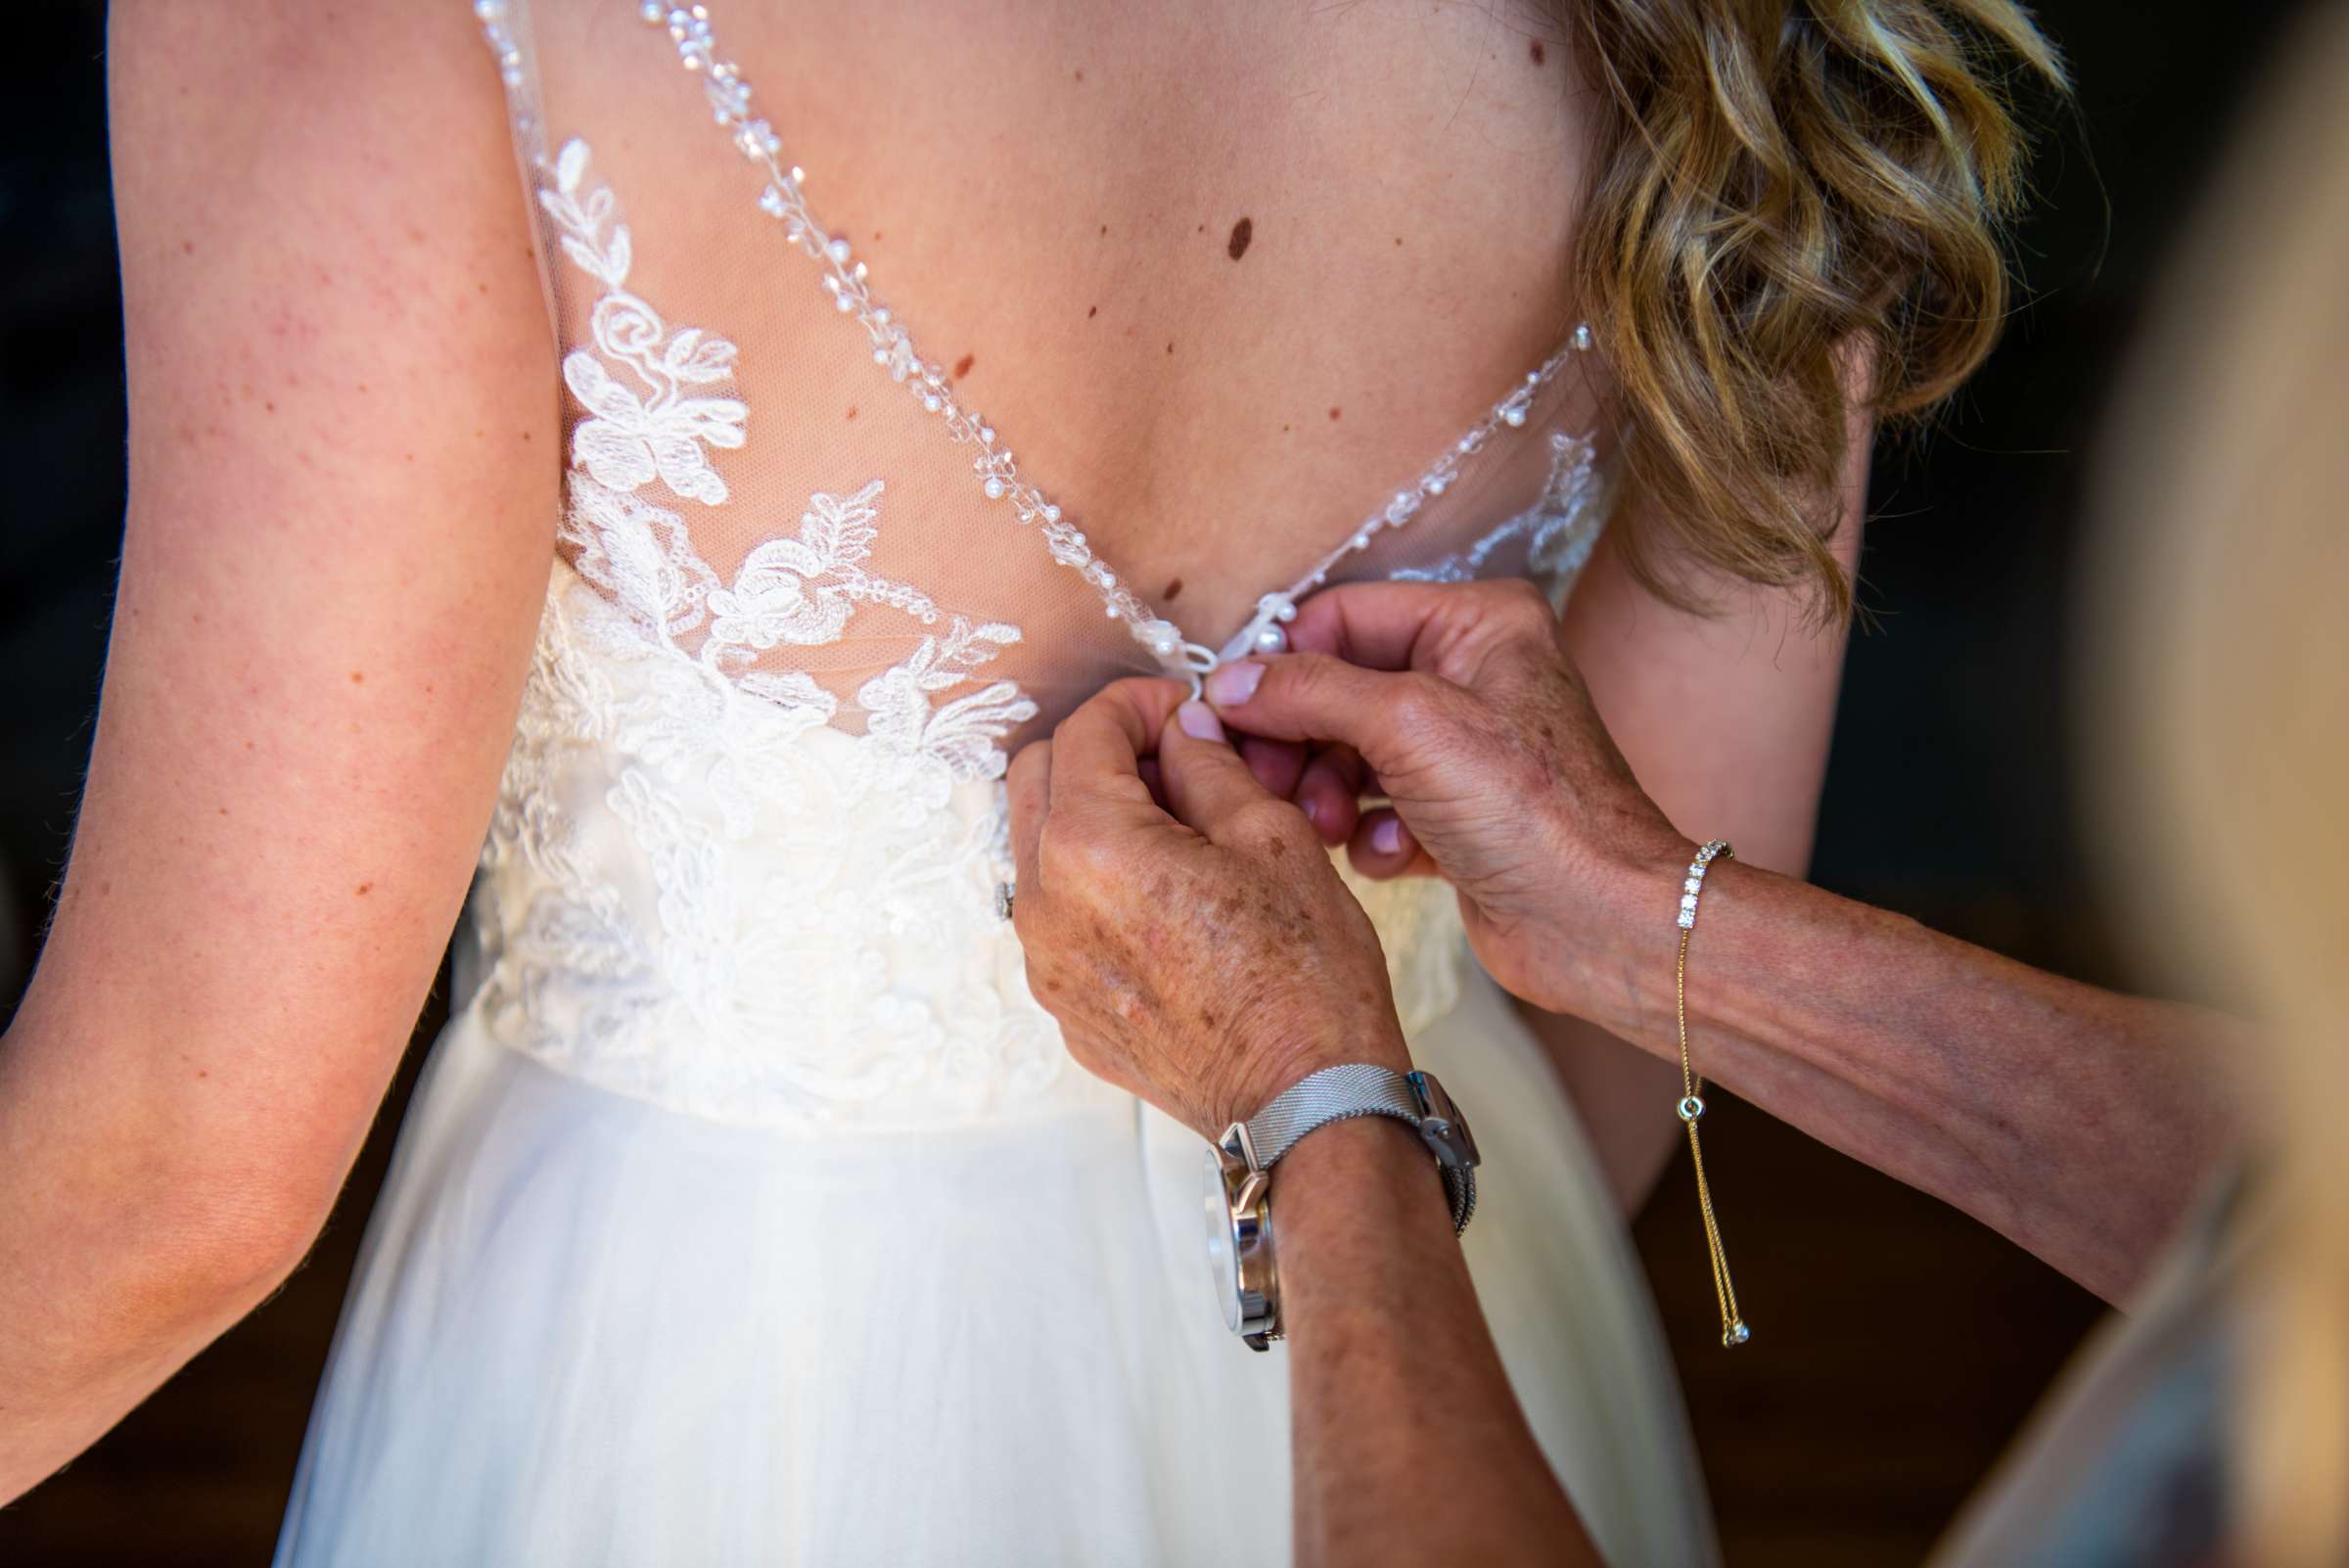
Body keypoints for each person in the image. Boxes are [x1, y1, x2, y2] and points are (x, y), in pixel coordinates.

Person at [0, 2, 2057, 1563]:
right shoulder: (1781, 54)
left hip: (683, 1394)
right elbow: (1639, 998)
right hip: (1442, 1331)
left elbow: (173, 1172)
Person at [1004, 7, 2349, 1560]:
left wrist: (1320, 1101)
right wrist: (1642, 917)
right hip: (1518, 1242)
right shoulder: (1781, 71)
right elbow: (2306, 1177)